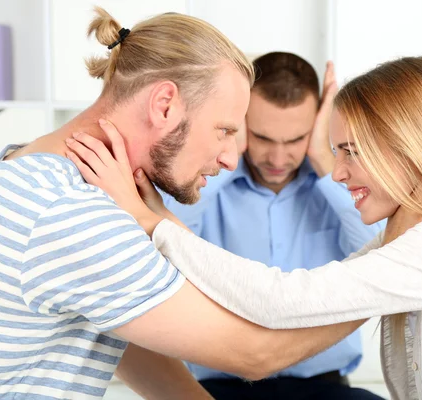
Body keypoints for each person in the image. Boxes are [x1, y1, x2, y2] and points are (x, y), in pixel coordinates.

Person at [70, 56, 422, 399]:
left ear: (411, 146)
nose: (336, 173)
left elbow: (281, 301)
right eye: (333, 151)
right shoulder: (409, 239)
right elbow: (275, 333)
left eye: (350, 150)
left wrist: (149, 221)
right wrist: (157, 217)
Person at [0, 8, 368, 399]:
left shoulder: (33, 165)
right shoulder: (69, 210)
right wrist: (385, 283)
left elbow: (121, 325)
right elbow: (255, 354)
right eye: (224, 130)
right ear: (164, 105)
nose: (229, 156)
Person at [163, 51, 384, 400]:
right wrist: (227, 148)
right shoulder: (203, 185)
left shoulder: (345, 189)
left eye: (295, 140)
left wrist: (325, 159)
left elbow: (383, 255)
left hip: (324, 388)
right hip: (220, 388)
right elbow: (161, 237)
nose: (278, 159)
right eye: (264, 138)